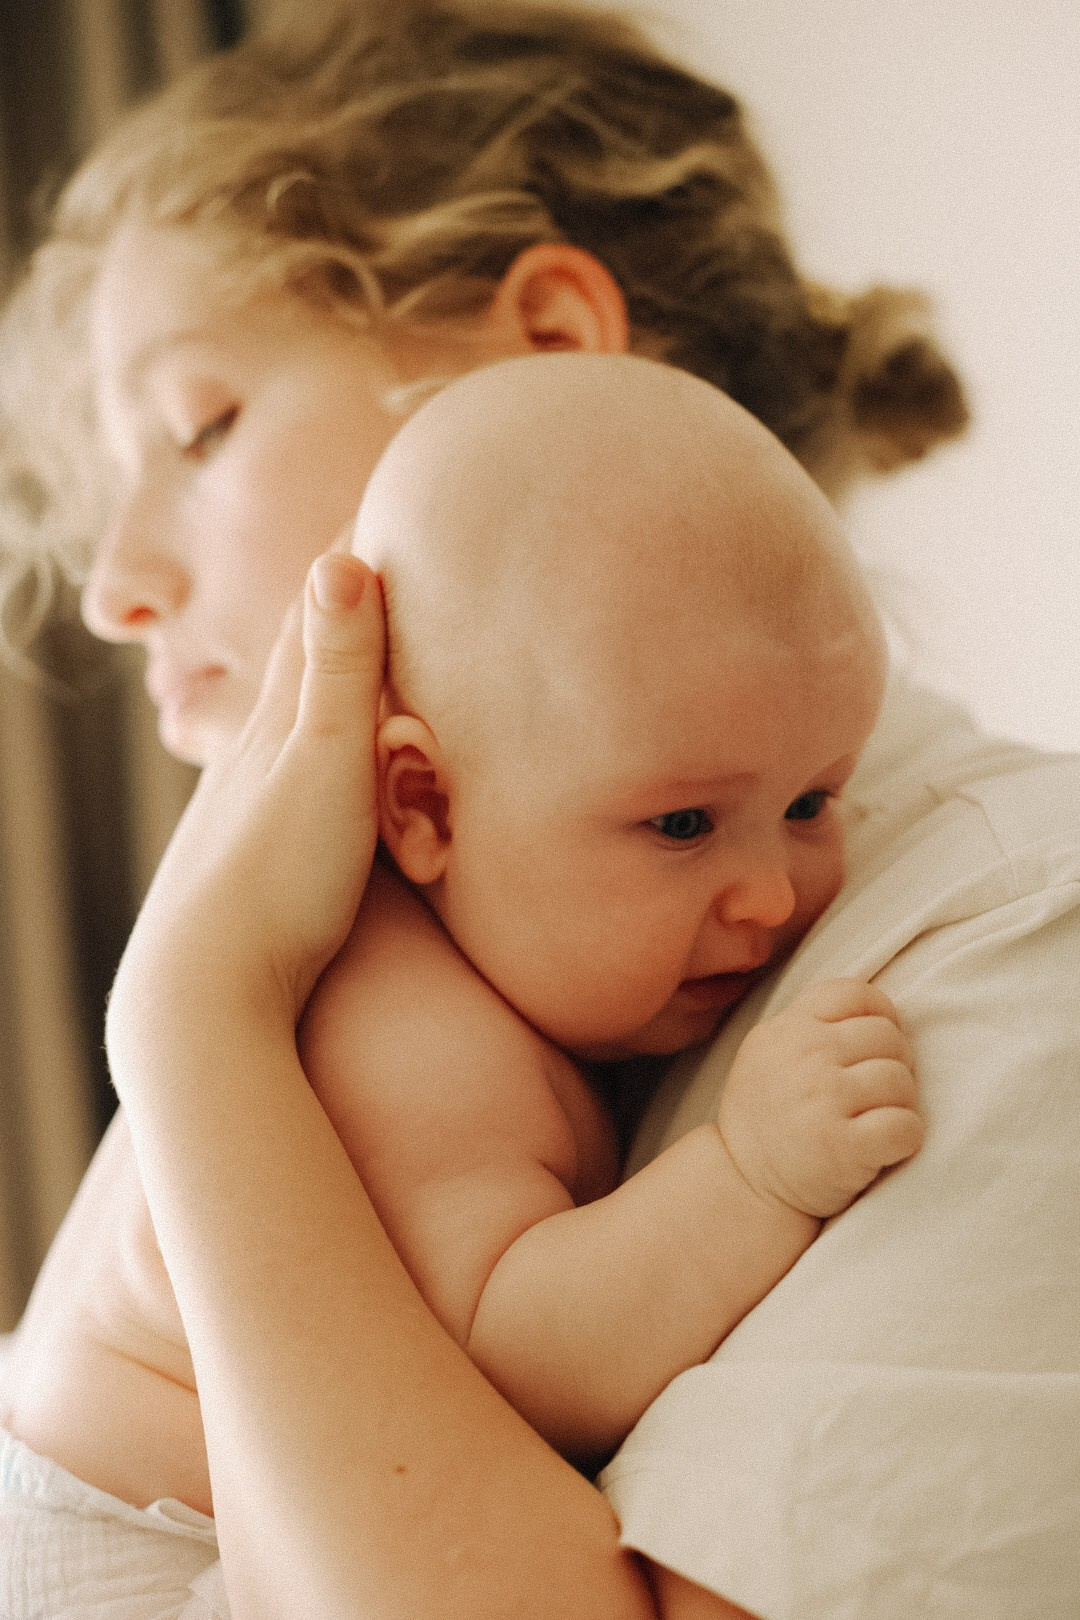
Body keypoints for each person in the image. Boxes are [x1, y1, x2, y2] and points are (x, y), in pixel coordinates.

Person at [0, 4, 1076, 1617]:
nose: (117, 594)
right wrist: (192, 1016)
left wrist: (193, 1023)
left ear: (548, 356)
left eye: (201, 426)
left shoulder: (1008, 929)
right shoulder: (353, 940)